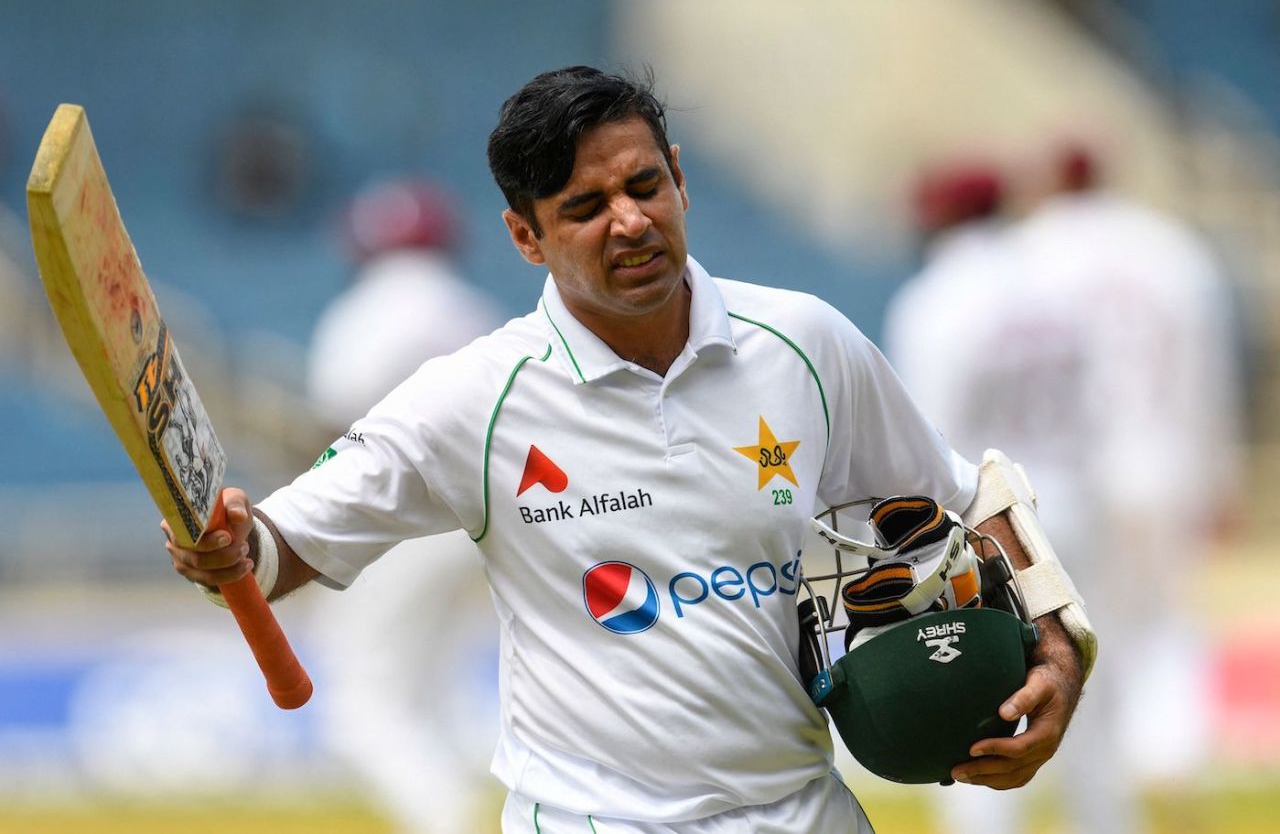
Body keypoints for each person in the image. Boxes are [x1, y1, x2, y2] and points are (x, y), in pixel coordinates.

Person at [163, 66, 1089, 833]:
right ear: (525, 236)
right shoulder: (474, 396)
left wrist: (1057, 650)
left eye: (645, 185)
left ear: (679, 177)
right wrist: (228, 544)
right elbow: (277, 549)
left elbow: (971, 498)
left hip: (805, 809)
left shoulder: (806, 341)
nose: (632, 220)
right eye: (585, 206)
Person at [885, 148, 1241, 834]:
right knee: (1086, 677)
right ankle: (1107, 819)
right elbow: (1100, 402)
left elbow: (928, 433)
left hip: (988, 515)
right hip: (1077, 500)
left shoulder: (937, 299)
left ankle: (986, 826)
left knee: (978, 686)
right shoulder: (1048, 287)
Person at [304, 177, 507, 833]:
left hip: (398, 524)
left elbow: (334, 428)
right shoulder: (474, 309)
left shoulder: (364, 311)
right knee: (437, 694)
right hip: (483, 518)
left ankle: (451, 823)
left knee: (360, 708)